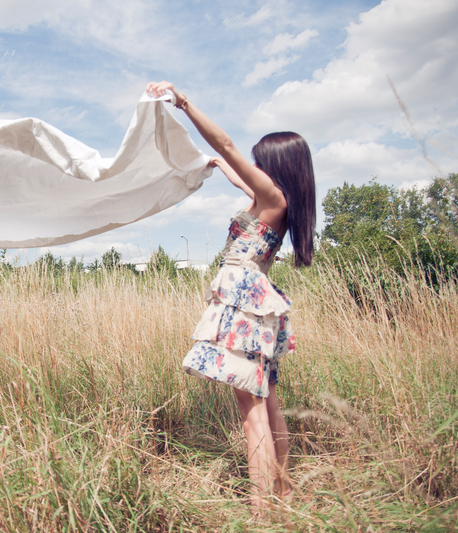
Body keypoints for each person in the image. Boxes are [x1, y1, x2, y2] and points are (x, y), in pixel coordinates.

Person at [146, 81, 316, 514]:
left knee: (250, 409)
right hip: (259, 299)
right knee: (267, 398)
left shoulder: (271, 196)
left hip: (243, 301)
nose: (253, 168)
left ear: (276, 165)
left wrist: (184, 104)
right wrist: (217, 164)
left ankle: (261, 511)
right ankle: (285, 495)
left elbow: (226, 140)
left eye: (260, 163)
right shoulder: (277, 200)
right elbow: (235, 168)